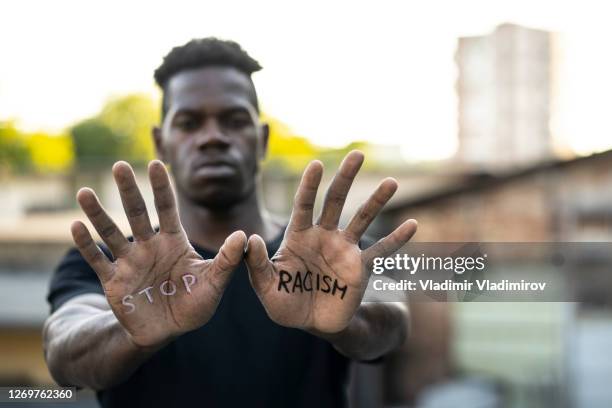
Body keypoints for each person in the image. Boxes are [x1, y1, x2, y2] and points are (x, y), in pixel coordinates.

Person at [43, 38, 417, 408]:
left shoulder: (336, 258)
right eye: (189, 122)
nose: (213, 137)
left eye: (234, 120)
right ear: (161, 143)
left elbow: (394, 322)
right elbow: (63, 351)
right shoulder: (112, 266)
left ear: (263, 139)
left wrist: (346, 320)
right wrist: (128, 333)